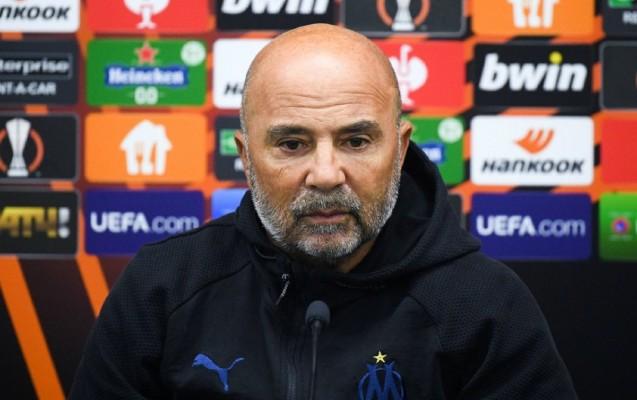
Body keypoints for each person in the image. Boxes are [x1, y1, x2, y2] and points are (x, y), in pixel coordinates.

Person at [70, 24, 578, 399]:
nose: (327, 174)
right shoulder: (163, 287)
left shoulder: (481, 305)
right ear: (245, 157)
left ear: (400, 150)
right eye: (292, 144)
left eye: (356, 141)